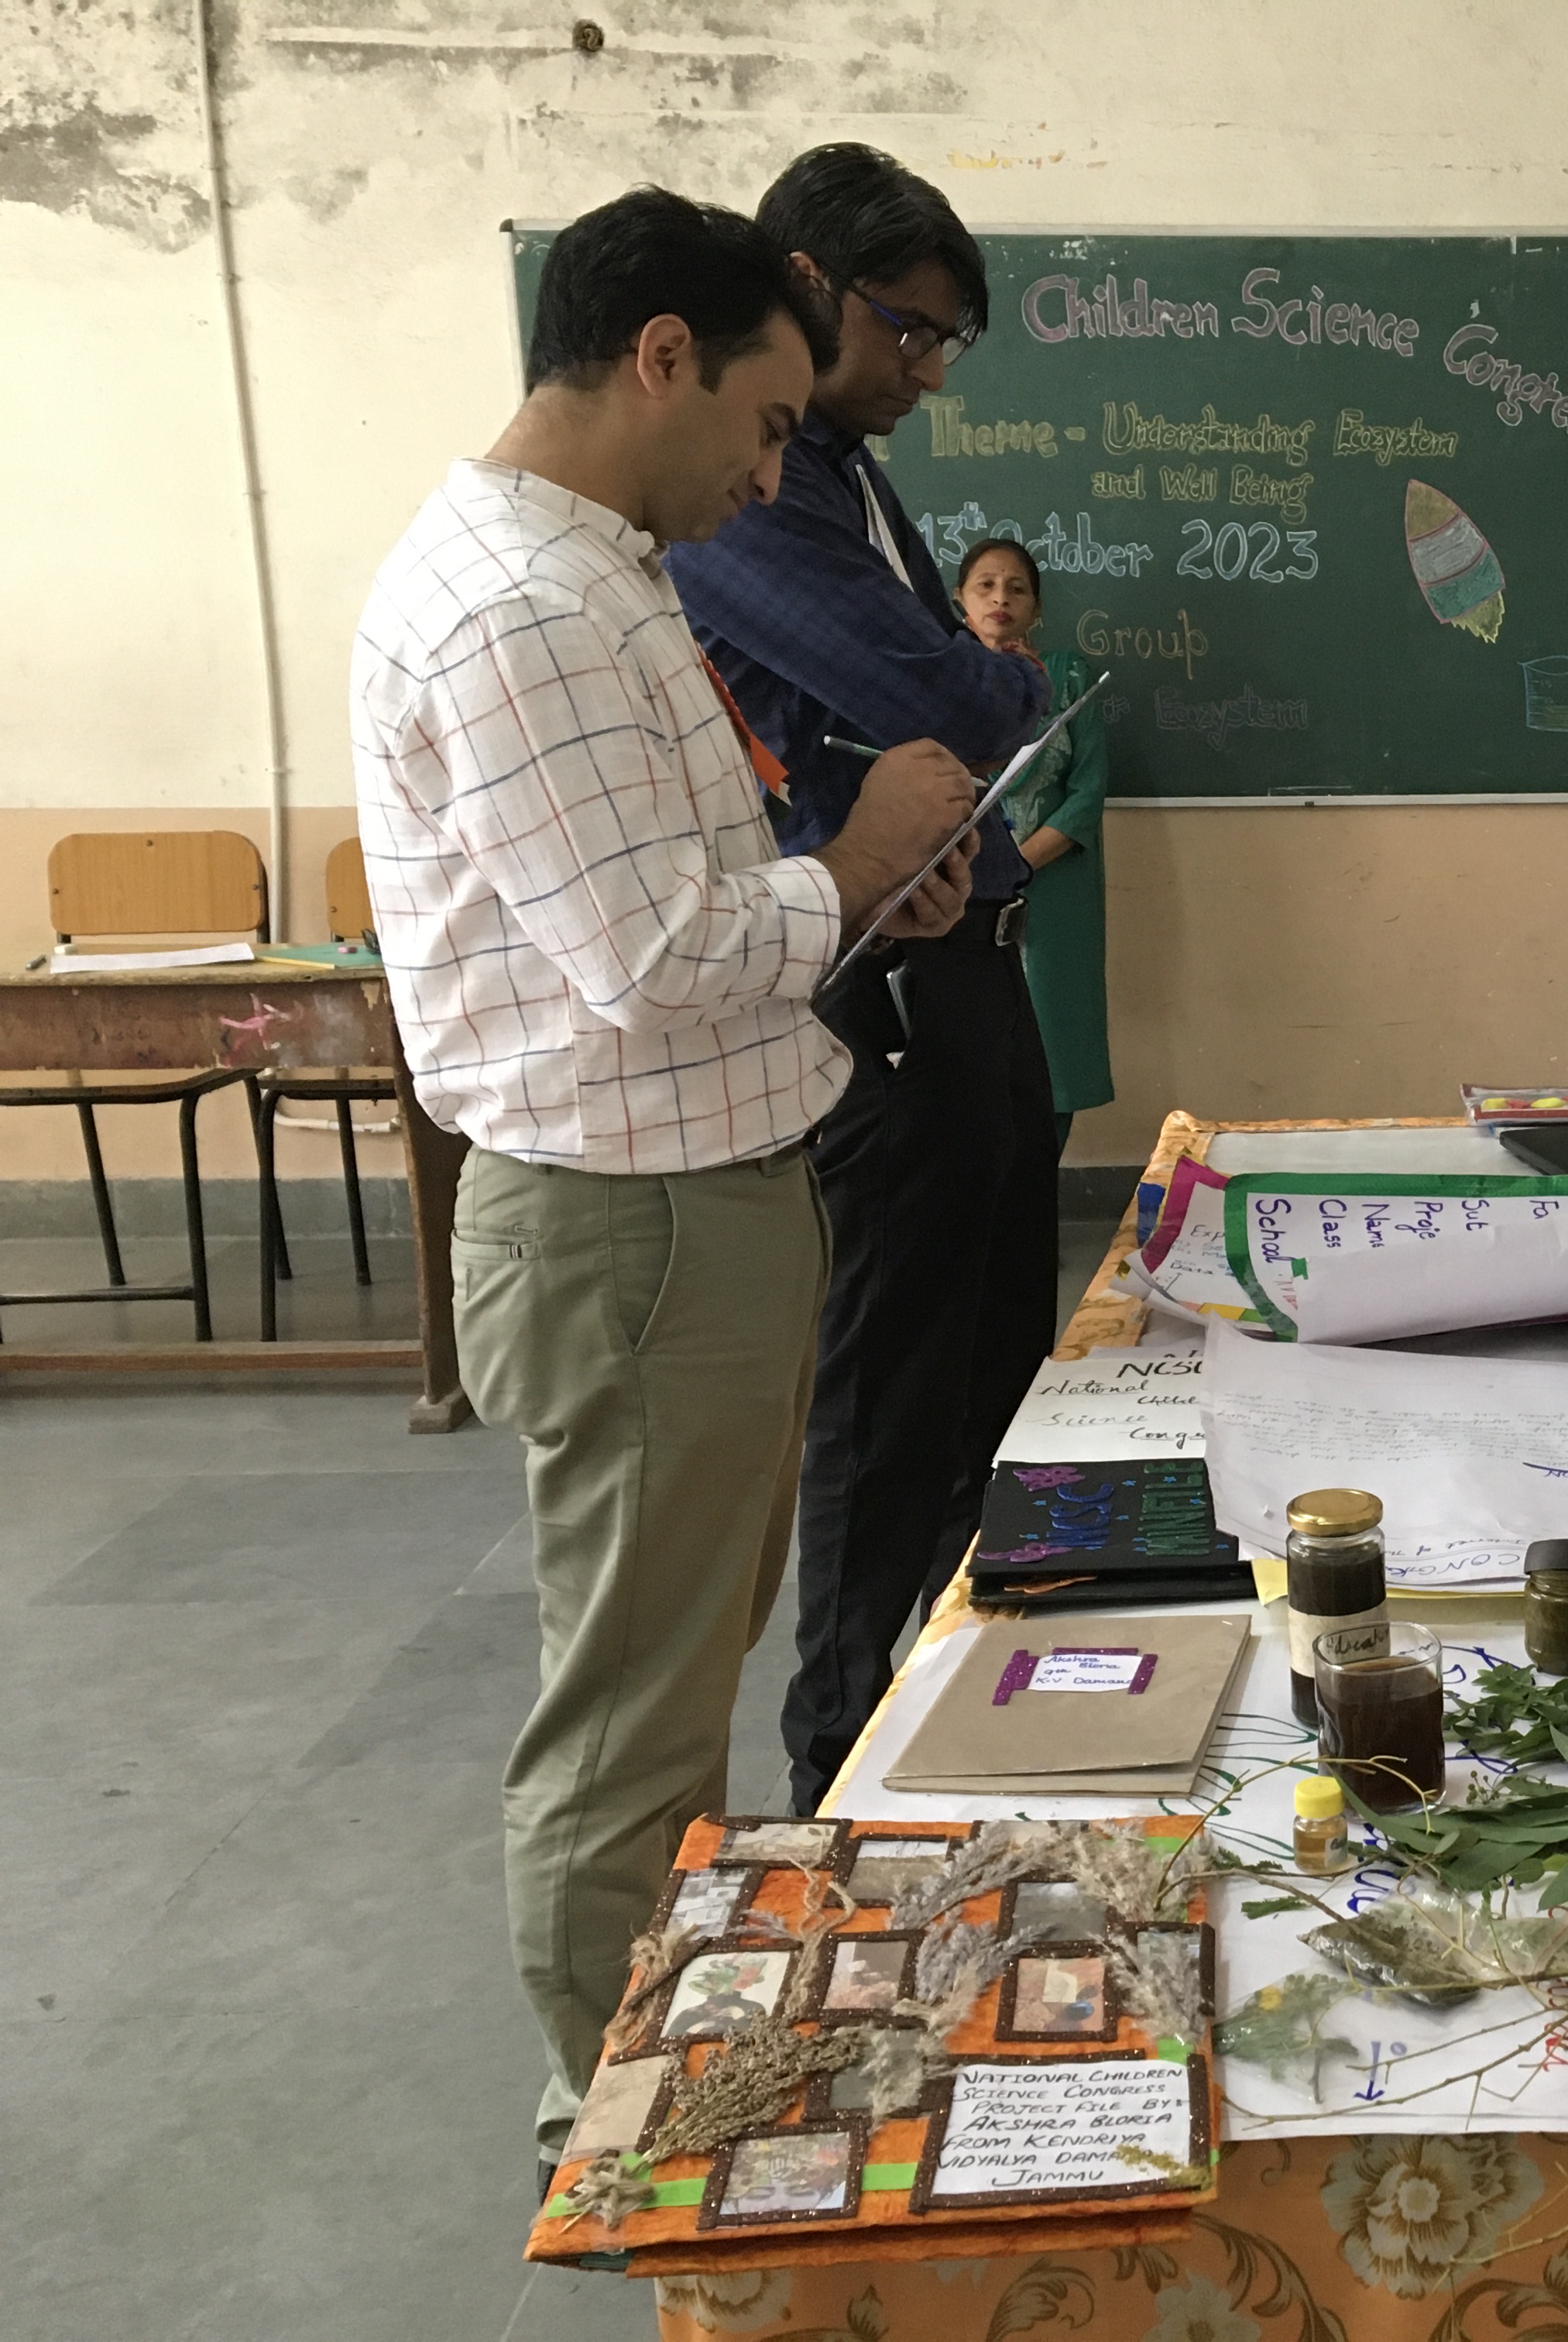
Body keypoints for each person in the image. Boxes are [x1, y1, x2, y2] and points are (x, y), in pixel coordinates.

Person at [347, 186, 978, 2175]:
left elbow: (669, 915)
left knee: (667, 1663)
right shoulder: (521, 608)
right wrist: (863, 853)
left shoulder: (587, 565)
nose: (774, 468)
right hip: (630, 1222)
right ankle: (616, 2114)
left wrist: (848, 900)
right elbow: (646, 957)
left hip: (686, 1188)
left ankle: (651, 2048)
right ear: (662, 358)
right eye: (768, 419)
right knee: (630, 1709)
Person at [667, 144, 1065, 1815]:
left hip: (946, 962)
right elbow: (966, 702)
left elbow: (976, 702)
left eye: (947, 346)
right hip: (859, 1007)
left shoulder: (838, 469)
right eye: (910, 332)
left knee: (992, 1377)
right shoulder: (759, 499)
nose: (926, 376)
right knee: (886, 1402)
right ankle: (846, 1759)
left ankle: (975, 1697)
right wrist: (971, 688)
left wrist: (969, 693)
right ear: (808, 285)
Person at [956, 534, 1115, 1149]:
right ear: (960, 603)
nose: (1002, 598)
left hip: (1054, 894)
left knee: (1053, 1047)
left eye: (1017, 588)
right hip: (960, 893)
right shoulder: (934, 686)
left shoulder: (1073, 679)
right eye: (986, 586)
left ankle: (1035, 1207)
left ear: (1037, 609)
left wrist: (1015, 866)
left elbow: (1087, 793)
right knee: (970, 1047)